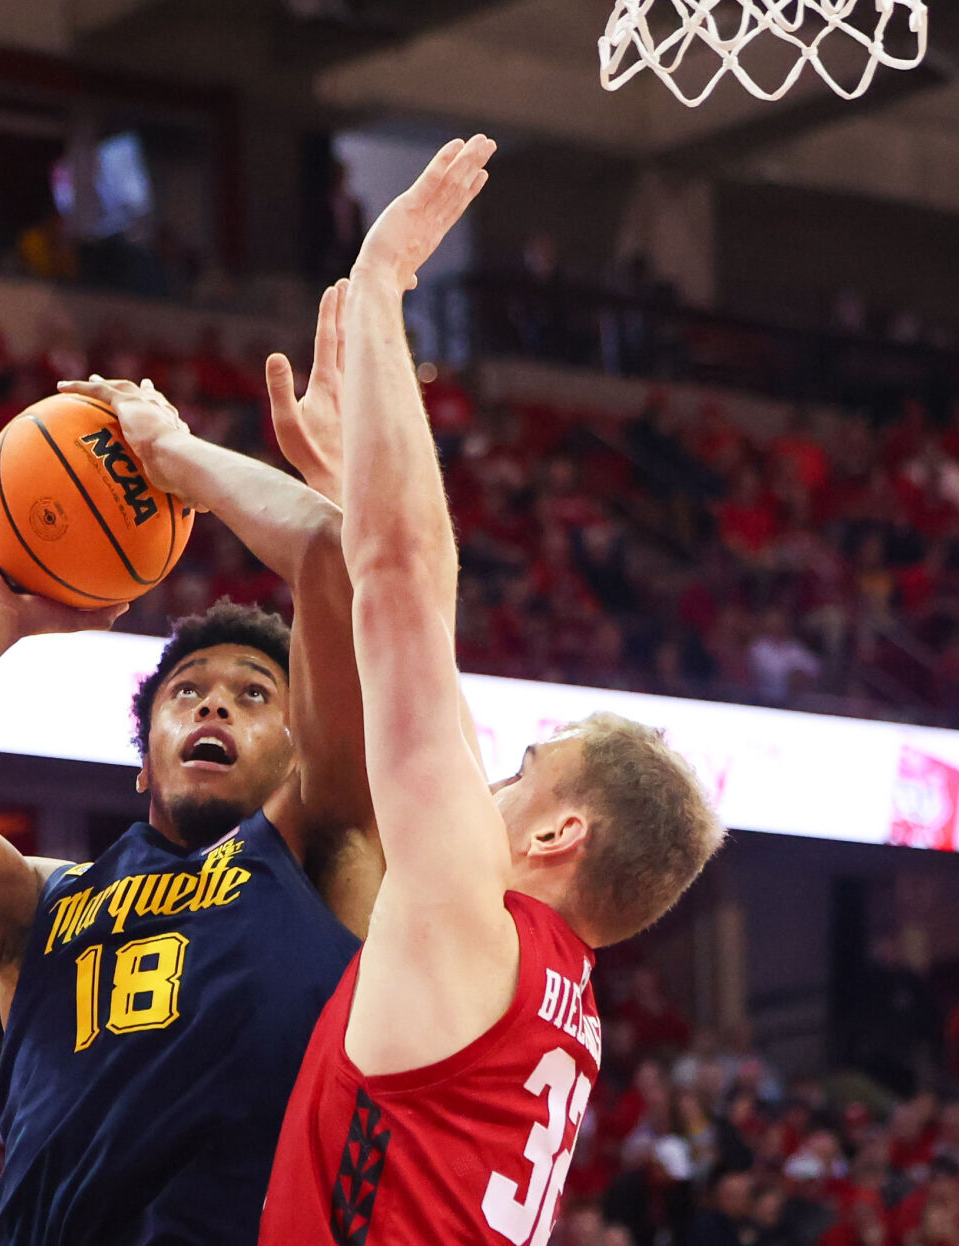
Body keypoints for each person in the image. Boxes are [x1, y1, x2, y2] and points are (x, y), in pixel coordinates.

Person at [0, 284, 378, 1244]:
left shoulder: (329, 858)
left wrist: (176, 457)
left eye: (253, 694)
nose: (215, 702)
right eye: (187, 693)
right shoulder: (42, 907)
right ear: (142, 765)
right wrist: (1, 614)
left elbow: (330, 553)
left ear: (298, 755)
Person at [258, 135, 724, 1242]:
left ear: (560, 830)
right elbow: (433, 693)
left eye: (522, 770)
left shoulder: (474, 920)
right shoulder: (560, 1004)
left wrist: (379, 284)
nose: (490, 773)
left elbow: (406, 581)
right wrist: (350, 478)